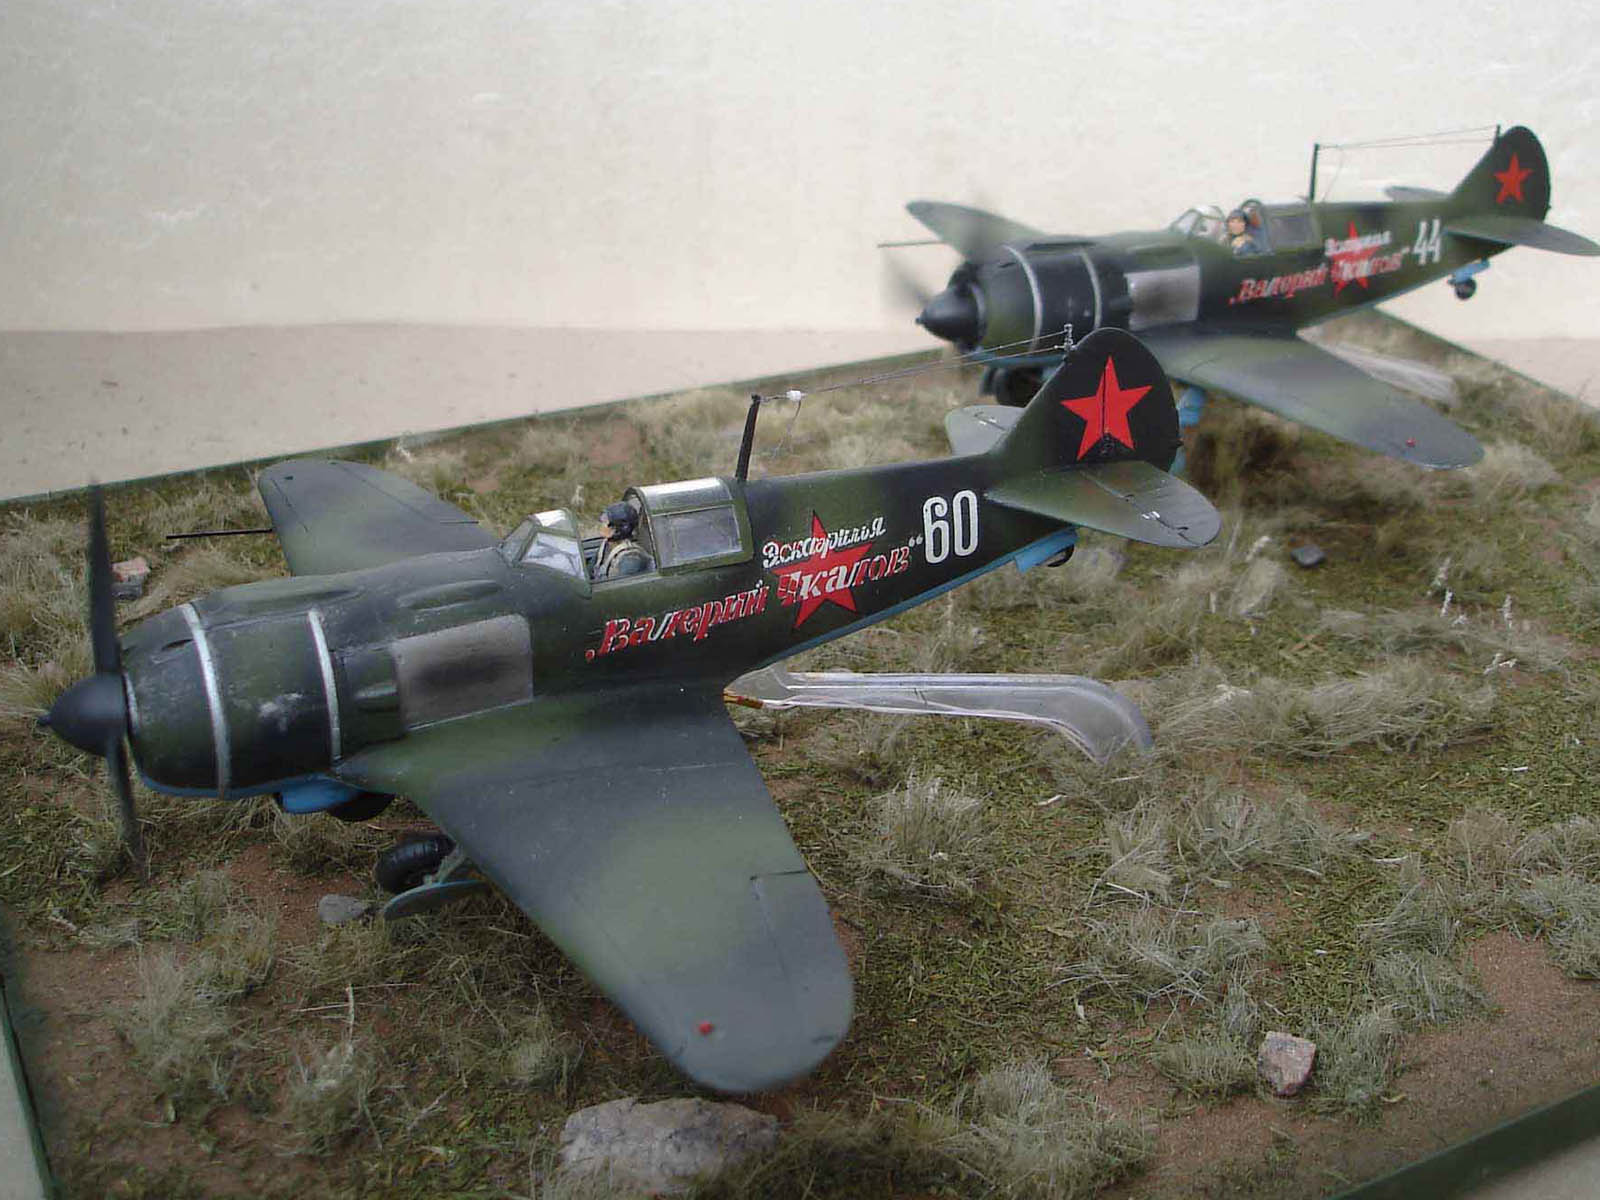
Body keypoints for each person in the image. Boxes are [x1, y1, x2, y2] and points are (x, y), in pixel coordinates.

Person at [594, 500, 653, 579]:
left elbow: (622, 584)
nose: (601, 524)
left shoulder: (630, 558)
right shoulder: (607, 545)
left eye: (605, 521)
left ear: (616, 529)